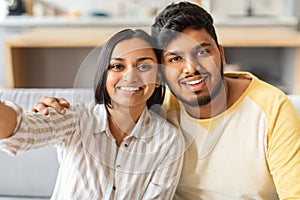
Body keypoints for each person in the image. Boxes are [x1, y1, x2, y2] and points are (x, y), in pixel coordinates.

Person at [32, 2, 300, 200]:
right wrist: (52, 108)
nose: (190, 68)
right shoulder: (157, 106)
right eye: (175, 59)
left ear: (221, 54)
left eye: (202, 52)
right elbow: (105, 112)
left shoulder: (271, 107)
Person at [0, 29, 184, 199]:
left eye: (143, 67)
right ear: (104, 75)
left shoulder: (167, 140)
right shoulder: (73, 119)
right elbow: (21, 132)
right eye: (118, 67)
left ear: (159, 78)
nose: (130, 77)